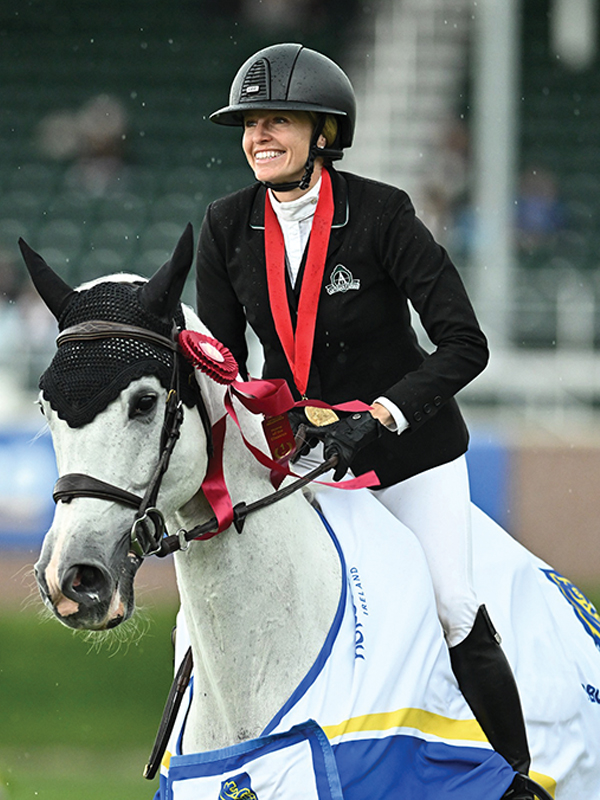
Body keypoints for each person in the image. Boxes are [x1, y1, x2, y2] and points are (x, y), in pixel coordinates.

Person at [196, 43, 539, 797]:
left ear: (324, 132)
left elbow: (464, 344)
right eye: (250, 123)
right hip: (311, 458)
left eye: (277, 121)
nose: (258, 136)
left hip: (411, 449)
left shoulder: (381, 212)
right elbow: (226, 365)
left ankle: (516, 778)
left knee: (451, 606)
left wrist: (381, 418)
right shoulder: (224, 226)